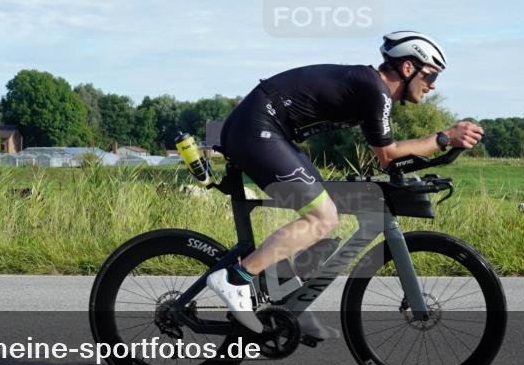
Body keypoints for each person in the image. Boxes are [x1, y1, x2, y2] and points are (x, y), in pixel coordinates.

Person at [207, 31, 484, 338]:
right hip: (257, 128)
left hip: (269, 129)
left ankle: (286, 302)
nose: (432, 85)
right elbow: (388, 156)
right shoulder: (374, 90)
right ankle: (235, 279)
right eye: (431, 75)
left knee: (328, 208)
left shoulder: (372, 89)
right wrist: (444, 138)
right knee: (322, 218)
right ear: (408, 68)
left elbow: (389, 155)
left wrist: (438, 151)